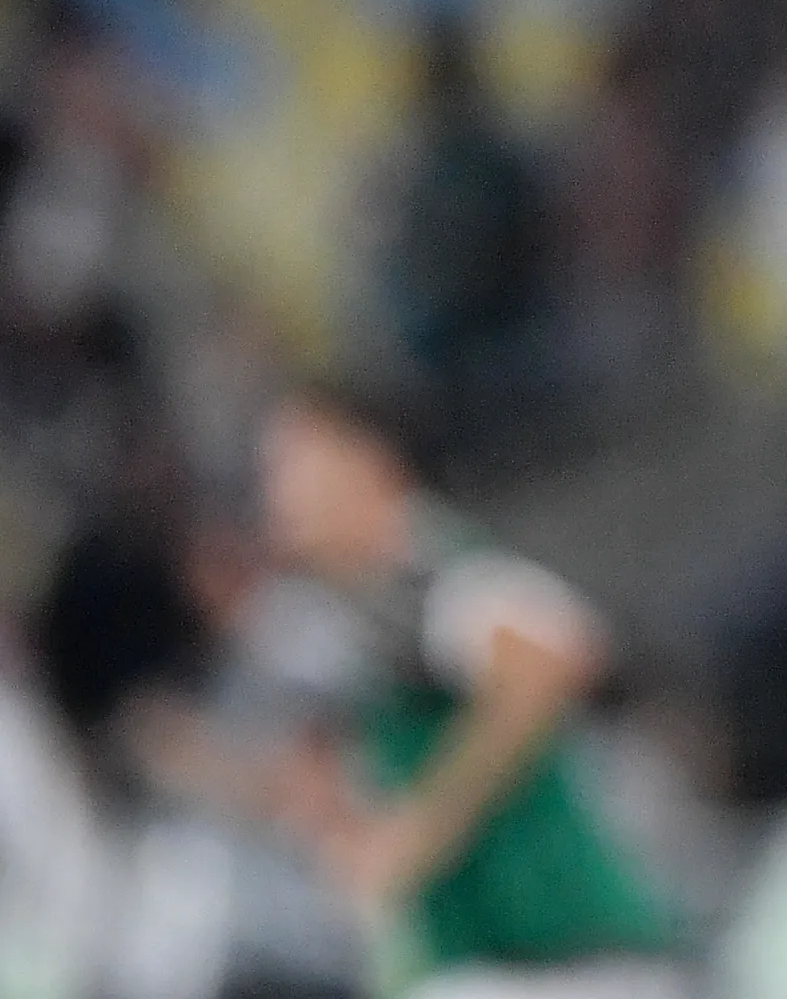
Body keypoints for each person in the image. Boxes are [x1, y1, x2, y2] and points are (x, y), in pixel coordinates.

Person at [256, 382, 680, 997]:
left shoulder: (425, 572)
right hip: (483, 955)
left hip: (564, 956)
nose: (277, 492)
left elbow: (551, 658)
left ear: (370, 460)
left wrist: (420, 831)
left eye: (295, 463)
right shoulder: (341, 615)